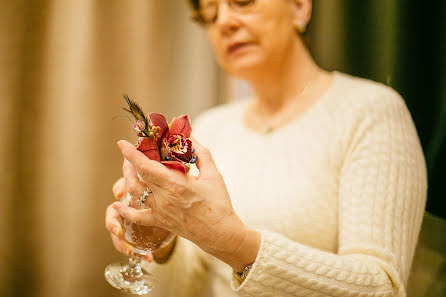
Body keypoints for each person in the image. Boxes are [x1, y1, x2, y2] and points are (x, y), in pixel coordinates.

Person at [105, 0, 427, 296]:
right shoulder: (213, 127)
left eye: (242, 1)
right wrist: (163, 245)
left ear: (300, 6)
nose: (224, 23)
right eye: (210, 14)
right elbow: (186, 287)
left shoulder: (370, 112)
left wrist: (234, 243)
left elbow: (382, 286)